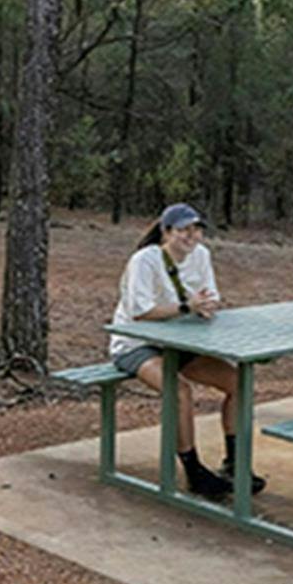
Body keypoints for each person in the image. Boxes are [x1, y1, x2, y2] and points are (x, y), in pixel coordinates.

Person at [110, 203, 264, 499]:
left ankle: (235, 463)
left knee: (239, 383)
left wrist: (206, 306)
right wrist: (186, 307)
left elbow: (210, 295)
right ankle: (194, 472)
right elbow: (139, 312)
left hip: (181, 343)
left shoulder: (201, 256)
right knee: (180, 392)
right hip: (136, 344)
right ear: (166, 232)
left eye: (196, 230)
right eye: (183, 230)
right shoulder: (145, 260)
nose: (191, 236)